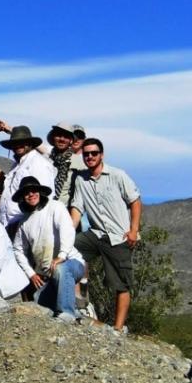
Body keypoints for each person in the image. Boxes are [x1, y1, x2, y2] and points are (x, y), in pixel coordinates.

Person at [69, 138, 142, 334]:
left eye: (94, 153)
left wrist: (133, 230)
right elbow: (77, 207)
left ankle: (118, 329)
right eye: (86, 154)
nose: (90, 157)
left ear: (101, 155)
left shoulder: (118, 175)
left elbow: (135, 201)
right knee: (71, 250)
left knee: (121, 284)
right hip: (96, 234)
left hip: (119, 236)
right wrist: (67, 233)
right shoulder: (81, 180)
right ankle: (79, 297)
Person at [11, 176, 85, 322]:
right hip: (48, 276)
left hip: (71, 263)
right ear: (22, 197)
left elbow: (67, 230)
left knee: (61, 269)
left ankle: (67, 313)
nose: (31, 194)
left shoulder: (55, 206)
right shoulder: (24, 222)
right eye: (26, 193)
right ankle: (76, 313)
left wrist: (62, 256)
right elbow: (17, 250)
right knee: (39, 300)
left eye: (34, 190)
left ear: (40, 191)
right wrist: (31, 273)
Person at [0, 126, 56, 232]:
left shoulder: (38, 163)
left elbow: (45, 198)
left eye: (23, 142)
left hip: (27, 225)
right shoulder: (16, 166)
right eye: (14, 143)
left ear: (30, 143)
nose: (18, 145)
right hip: (10, 225)